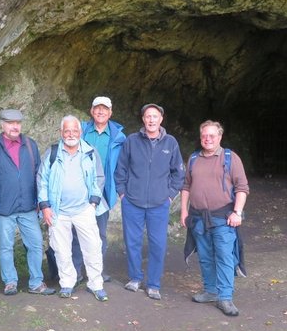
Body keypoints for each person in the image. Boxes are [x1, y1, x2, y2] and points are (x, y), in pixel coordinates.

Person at [45, 96, 126, 283]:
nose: (100, 112)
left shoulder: (119, 137)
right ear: (91, 111)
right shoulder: (81, 130)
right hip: (79, 194)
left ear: (110, 113)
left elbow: (123, 164)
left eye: (104, 109)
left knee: (100, 234)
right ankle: (76, 271)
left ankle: (96, 271)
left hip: (103, 192)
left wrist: (119, 188)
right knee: (74, 233)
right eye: (97, 108)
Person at [115, 103, 184, 300]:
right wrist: (122, 194)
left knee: (158, 244)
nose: (151, 120)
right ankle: (135, 278)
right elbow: (121, 169)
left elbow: (178, 173)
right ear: (143, 119)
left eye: (155, 116)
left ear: (161, 119)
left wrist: (169, 195)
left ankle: (153, 284)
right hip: (133, 202)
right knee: (132, 242)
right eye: (148, 116)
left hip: (159, 204)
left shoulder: (170, 143)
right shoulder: (132, 141)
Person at [0, 109, 55, 296]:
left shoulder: (30, 145)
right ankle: (10, 282)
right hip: (3, 208)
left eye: (18, 123)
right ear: (2, 125)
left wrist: (42, 202)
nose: (15, 126)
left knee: (36, 244)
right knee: (6, 246)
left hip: (28, 206)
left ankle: (36, 282)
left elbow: (39, 175)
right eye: (10, 122)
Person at [180, 120, 249, 317]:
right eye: (204, 136)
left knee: (225, 256)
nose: (207, 139)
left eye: (212, 135)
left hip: (223, 218)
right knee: (205, 256)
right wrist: (184, 211)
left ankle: (225, 297)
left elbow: (242, 187)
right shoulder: (194, 158)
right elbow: (186, 186)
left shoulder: (230, 158)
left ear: (219, 137)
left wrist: (237, 212)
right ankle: (210, 291)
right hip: (198, 217)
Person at [37, 115, 108, 301]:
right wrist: (45, 206)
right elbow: (42, 180)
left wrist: (93, 202)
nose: (71, 134)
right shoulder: (52, 153)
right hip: (58, 211)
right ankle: (67, 283)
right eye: (67, 130)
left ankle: (96, 284)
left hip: (84, 208)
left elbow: (98, 179)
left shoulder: (90, 152)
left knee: (93, 247)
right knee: (61, 249)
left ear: (80, 132)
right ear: (61, 133)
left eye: (74, 130)